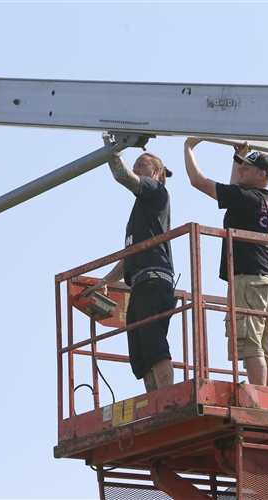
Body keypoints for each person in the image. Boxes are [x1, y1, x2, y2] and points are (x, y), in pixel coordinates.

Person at [183, 138, 268, 387]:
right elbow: (233, 191)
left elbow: (198, 181)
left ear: (261, 174)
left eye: (246, 168)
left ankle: (258, 399)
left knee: (250, 344)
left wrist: (188, 148)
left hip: (248, 280)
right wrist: (238, 159)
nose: (240, 170)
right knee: (267, 347)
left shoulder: (247, 198)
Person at [83, 134, 176, 393]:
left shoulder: (157, 191)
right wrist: (104, 282)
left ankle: (168, 399)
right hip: (141, 281)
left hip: (154, 280)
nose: (135, 168)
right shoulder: (142, 213)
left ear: (156, 172)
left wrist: (111, 150)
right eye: (134, 164)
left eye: (141, 164)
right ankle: (156, 402)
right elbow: (130, 258)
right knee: (141, 354)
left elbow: (122, 176)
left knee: (154, 345)